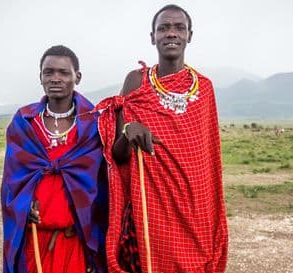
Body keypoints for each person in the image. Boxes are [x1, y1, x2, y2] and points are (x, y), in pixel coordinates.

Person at [96, 4, 228, 273]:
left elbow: (208, 159)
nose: (171, 33)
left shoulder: (204, 88)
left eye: (179, 28)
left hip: (195, 209)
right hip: (149, 207)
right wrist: (127, 131)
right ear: (152, 36)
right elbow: (118, 155)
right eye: (163, 28)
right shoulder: (137, 82)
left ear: (189, 35)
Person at [1, 45, 107, 273]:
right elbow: (12, 181)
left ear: (77, 77)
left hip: (77, 242)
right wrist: (22, 205)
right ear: (40, 77)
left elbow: (101, 185)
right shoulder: (25, 122)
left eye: (63, 72)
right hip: (34, 242)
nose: (55, 78)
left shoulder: (93, 124)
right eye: (48, 72)